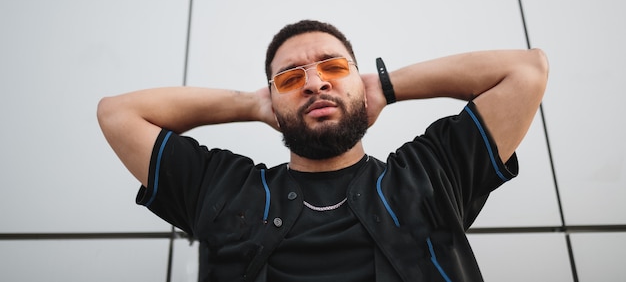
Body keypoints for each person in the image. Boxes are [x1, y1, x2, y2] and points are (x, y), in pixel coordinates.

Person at [97, 19, 549, 282]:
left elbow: (527, 72)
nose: (314, 82)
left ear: (360, 81)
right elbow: (118, 114)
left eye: (333, 67)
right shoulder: (222, 188)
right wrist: (252, 104)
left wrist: (387, 87)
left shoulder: (429, 174)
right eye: (290, 78)